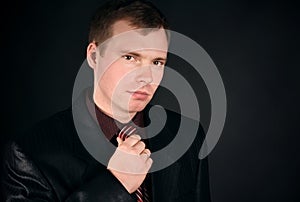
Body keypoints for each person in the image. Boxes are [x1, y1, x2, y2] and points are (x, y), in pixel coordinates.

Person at [1, 0, 211, 201]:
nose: (146, 77)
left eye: (157, 62)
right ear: (94, 56)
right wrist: (114, 185)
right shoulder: (28, 154)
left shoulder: (187, 136)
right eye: (130, 57)